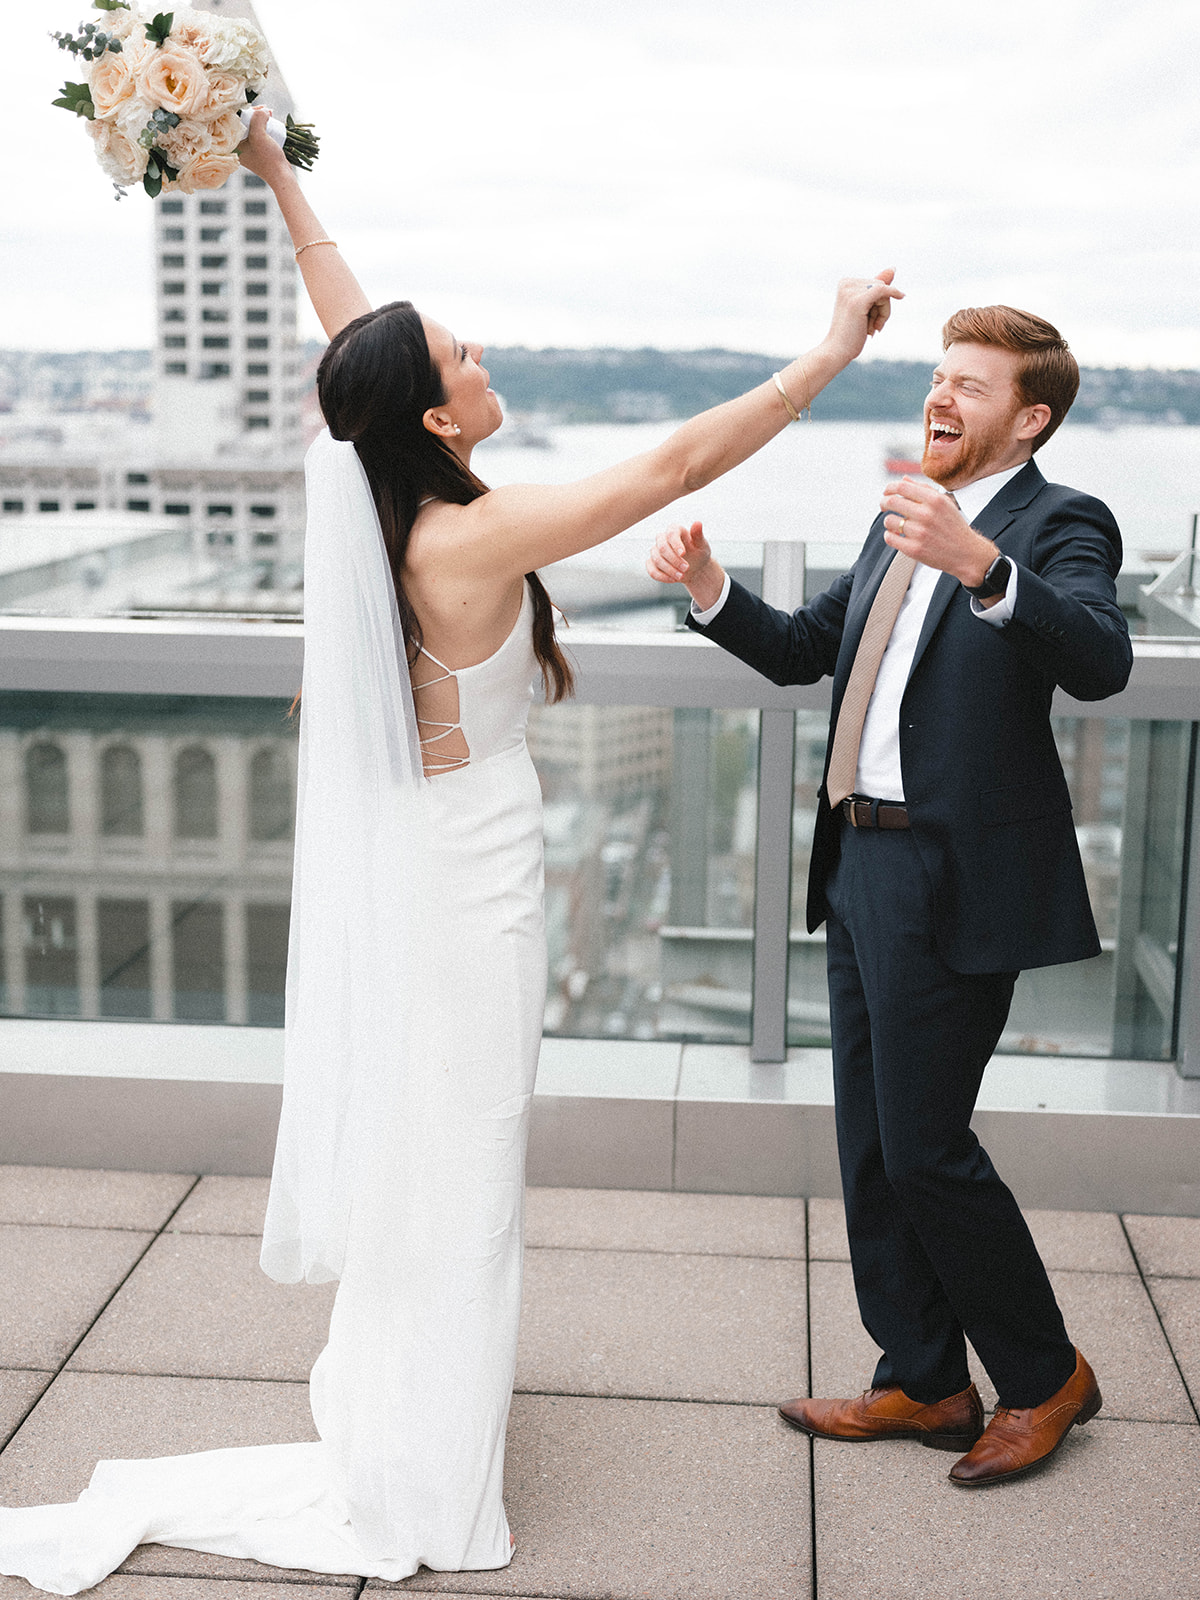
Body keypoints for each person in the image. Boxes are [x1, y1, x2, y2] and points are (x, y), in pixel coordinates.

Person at [0, 111, 902, 1595]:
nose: (487, 368)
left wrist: (282, 176)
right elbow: (676, 459)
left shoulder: (388, 481)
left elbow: (347, 320)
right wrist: (831, 352)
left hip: (443, 863)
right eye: (468, 361)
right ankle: (422, 1476)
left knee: (435, 1161)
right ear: (432, 417)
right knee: (466, 1169)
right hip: (468, 892)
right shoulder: (463, 542)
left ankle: (419, 1414)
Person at [647, 304, 1132, 1487]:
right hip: (858, 861)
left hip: (956, 877)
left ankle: (1043, 1374)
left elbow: (1102, 657)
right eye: (938, 372)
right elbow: (815, 645)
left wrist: (983, 564)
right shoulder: (901, 511)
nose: (942, 393)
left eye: (971, 382)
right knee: (870, 1144)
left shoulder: (1058, 522)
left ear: (1031, 415)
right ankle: (922, 1375)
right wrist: (713, 591)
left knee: (925, 1147)